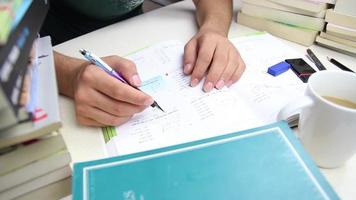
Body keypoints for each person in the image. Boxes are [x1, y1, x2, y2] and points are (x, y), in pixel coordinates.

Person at [42, 0, 246, 127]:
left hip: (135, 32)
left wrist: (214, 29)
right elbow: (12, 47)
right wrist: (70, 75)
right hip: (50, 50)